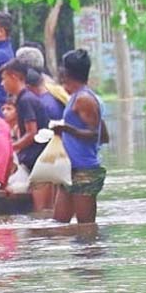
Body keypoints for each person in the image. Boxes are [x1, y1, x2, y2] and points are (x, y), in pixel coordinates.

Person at [51, 49, 109, 224]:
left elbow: (95, 134)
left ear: (66, 72)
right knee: (59, 224)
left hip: (84, 171)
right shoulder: (77, 97)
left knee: (86, 228)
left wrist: (67, 129)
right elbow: (105, 136)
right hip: (70, 169)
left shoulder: (84, 99)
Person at [0, 58, 54, 210]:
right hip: (39, 158)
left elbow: (31, 133)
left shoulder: (25, 100)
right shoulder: (25, 98)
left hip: (39, 160)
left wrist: (10, 148)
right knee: (45, 210)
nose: (1, 84)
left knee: (41, 211)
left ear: (14, 77)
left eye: (4, 79)